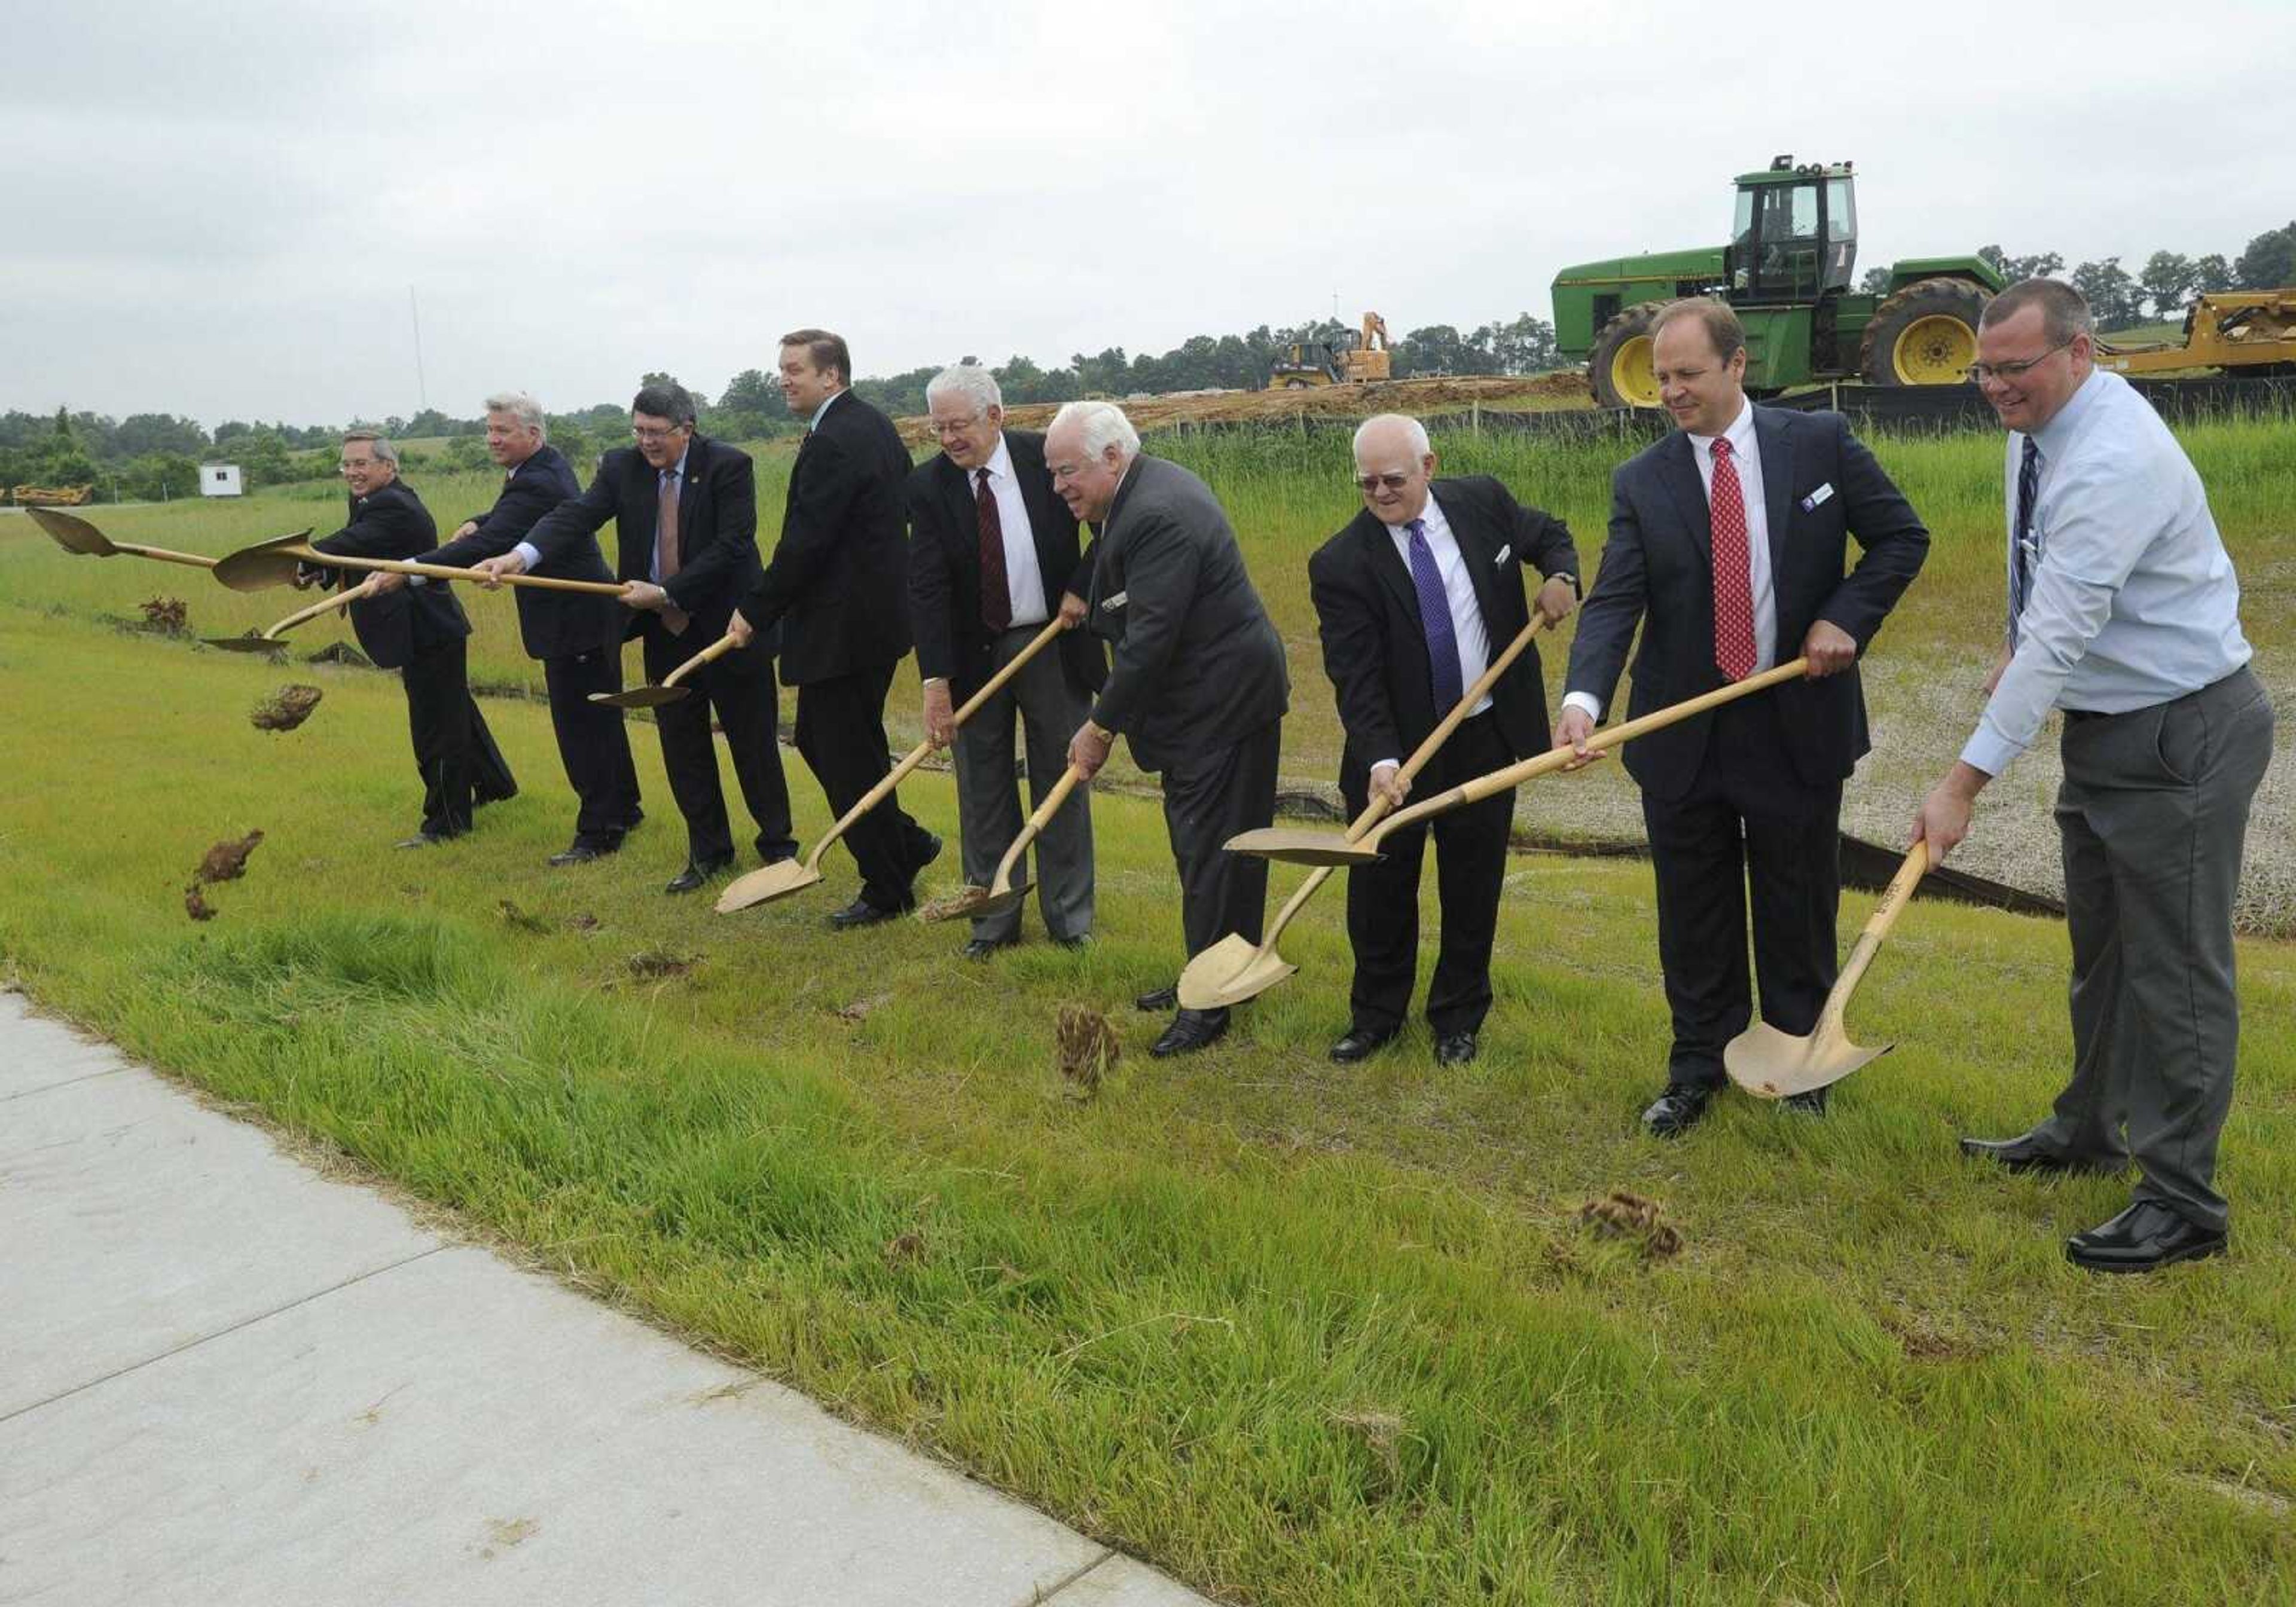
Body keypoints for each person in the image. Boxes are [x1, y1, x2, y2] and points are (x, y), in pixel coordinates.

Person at [1914, 278, 2272, 1274]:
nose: (1994, 388)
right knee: (2104, 953)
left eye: (2013, 369)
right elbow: (2040, 580)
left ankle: (2183, 1199)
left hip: (2182, 731)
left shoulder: (2113, 456)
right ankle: (2088, 1129)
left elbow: (2065, 628)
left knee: (2178, 971)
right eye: (1984, 369)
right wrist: (2011, 638)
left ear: (2081, 352)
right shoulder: (2037, 427)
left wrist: (1960, 786)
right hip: (2112, 727)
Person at [1555, 296, 1928, 1137]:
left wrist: (1844, 617)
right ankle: (1698, 1068)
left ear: (1737, 366)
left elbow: (1901, 539)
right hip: (1682, 731)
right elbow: (1615, 603)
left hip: (1796, 720)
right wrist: (1583, 702)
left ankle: (1799, 1065)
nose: (1671, 393)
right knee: (1694, 913)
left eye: (1687, 374)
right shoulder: (1641, 480)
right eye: (1661, 379)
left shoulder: (1820, 445)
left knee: (1796, 904)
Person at [1308, 413, 1580, 1067]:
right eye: (1366, 483)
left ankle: (1458, 1018)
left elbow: (1550, 535)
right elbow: (1356, 677)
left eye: (1393, 479)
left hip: (1485, 734)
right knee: (1379, 890)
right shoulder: (1341, 563)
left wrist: (1562, 577)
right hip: (1394, 751)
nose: (1379, 493)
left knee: (1472, 884)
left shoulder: (1482, 502)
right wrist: (1380, 760)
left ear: (1429, 467)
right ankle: (1375, 1017)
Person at [1049, 400, 1289, 1058]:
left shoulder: (1156, 513)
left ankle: (1207, 1008)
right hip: (1202, 703)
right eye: (1052, 472)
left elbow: (1151, 640)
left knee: (1216, 855)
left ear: (1112, 457)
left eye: (1068, 470)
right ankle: (1210, 972)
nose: (1059, 485)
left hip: (1223, 704)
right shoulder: (1131, 500)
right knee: (1206, 851)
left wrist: (1099, 727)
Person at [506, 381, 794, 894]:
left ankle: (777, 849)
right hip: (666, 633)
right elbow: (577, 515)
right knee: (681, 744)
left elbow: (733, 545)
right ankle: (709, 852)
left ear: (687, 429)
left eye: (657, 433)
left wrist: (665, 591)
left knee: (752, 742)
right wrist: (522, 555)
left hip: (730, 630)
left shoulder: (730, 465)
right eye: (638, 430)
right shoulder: (621, 467)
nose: (646, 442)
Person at [731, 329, 939, 928]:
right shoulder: (868, 424)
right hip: (866, 623)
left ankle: (887, 887)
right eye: (782, 368)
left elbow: (806, 543)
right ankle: (905, 843)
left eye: (795, 369)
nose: (783, 379)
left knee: (844, 754)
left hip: (846, 630)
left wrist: (755, 610)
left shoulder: (837, 440)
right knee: (836, 746)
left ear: (832, 375)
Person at [380, 391, 641, 867]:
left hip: (576, 620)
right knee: (598, 721)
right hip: (579, 618)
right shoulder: (541, 469)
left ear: (533, 434)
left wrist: (408, 569)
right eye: (490, 429)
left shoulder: (537, 481)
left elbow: (506, 537)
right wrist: (476, 522)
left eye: (502, 431)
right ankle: (625, 807)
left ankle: (601, 833)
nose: (492, 438)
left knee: (582, 728)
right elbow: (509, 522)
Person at [906, 365, 1103, 958]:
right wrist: (936, 681)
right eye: (938, 427)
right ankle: (993, 920)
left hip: (1051, 640)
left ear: (996, 416)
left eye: (958, 425)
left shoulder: (1046, 459)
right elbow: (928, 588)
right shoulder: (927, 486)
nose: (948, 438)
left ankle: (1071, 921)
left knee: (1062, 777)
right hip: (974, 656)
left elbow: (1109, 527)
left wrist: (1082, 585)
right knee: (983, 788)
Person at [303, 430, 515, 847]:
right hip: (426, 625)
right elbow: (358, 548)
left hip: (427, 629)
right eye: (346, 464)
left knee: (437, 727)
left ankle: (446, 823)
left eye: (361, 464)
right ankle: (495, 784)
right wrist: (316, 572)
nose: (352, 472)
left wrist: (298, 559)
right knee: (455, 712)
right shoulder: (370, 500)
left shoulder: (394, 506)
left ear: (388, 465)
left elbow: (345, 544)